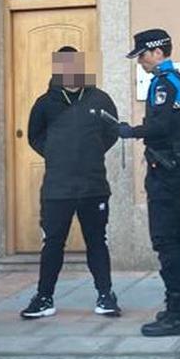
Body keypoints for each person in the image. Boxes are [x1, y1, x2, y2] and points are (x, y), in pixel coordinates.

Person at [21, 46, 122, 319]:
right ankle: (44, 298)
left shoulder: (100, 99)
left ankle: (105, 295)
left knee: (96, 242)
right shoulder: (44, 103)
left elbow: (112, 131)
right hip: (57, 188)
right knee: (53, 243)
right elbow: (34, 137)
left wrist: (91, 150)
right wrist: (57, 153)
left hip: (93, 186)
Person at [117, 28, 180, 337]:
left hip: (165, 169)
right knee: (174, 238)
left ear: (157, 52)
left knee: (165, 240)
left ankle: (177, 313)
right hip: (169, 166)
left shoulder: (165, 83)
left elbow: (162, 126)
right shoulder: (172, 80)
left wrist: (133, 131)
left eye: (142, 55)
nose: (139, 61)